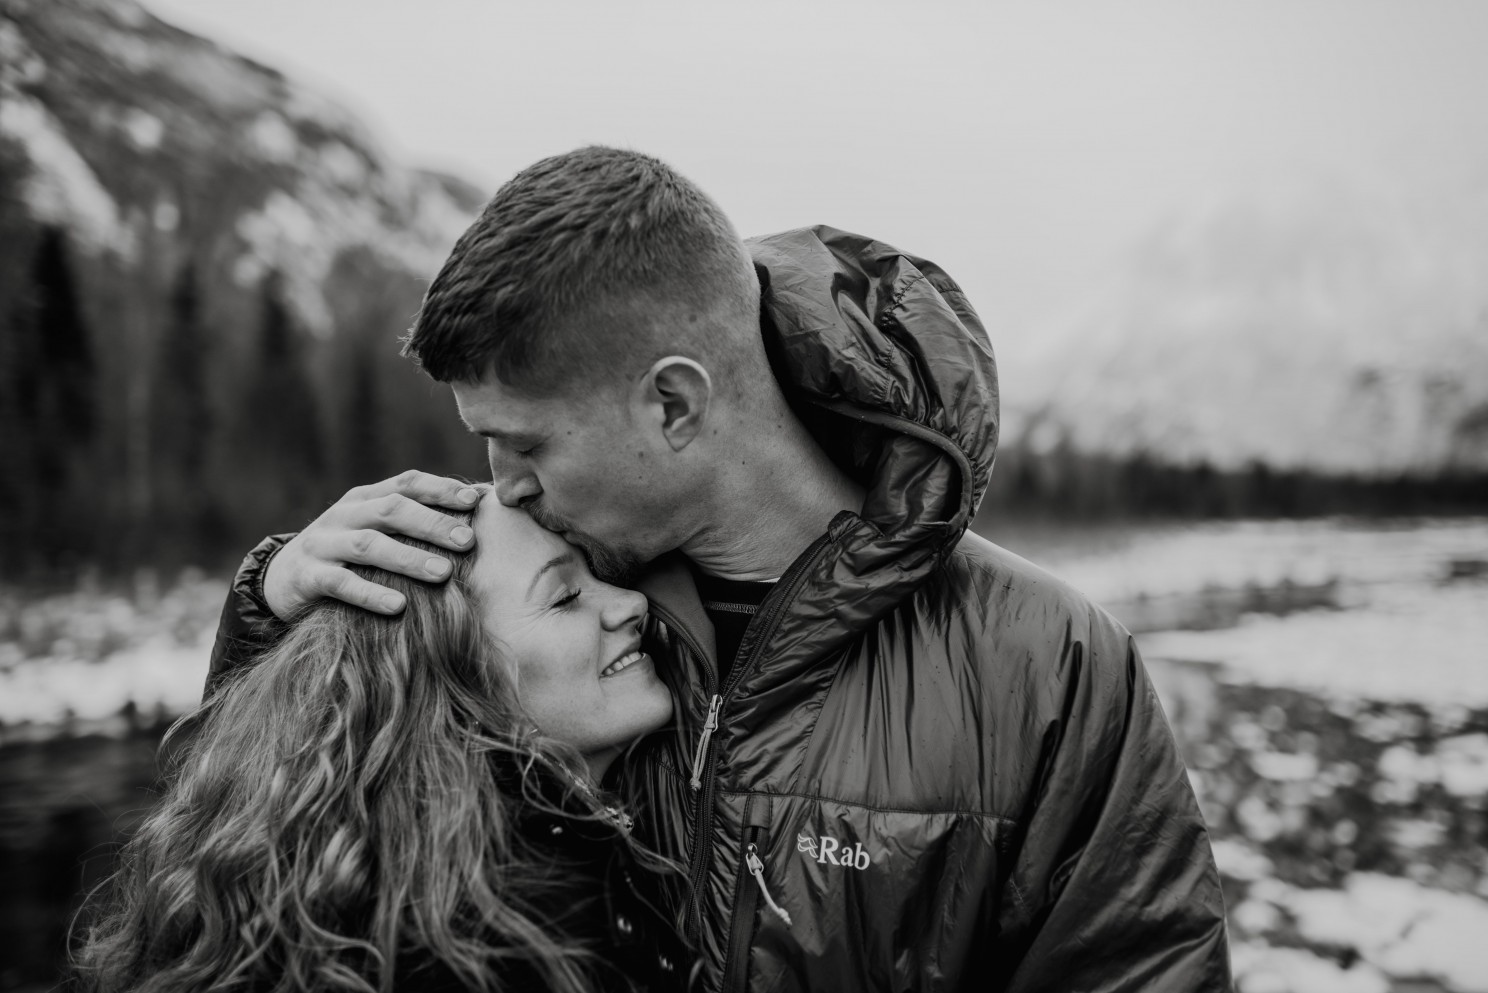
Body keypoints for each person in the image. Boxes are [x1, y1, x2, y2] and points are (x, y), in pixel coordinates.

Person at [211, 147, 1232, 991]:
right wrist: (275, 619)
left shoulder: (1050, 668)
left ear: (673, 406)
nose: (502, 486)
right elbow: (299, 893)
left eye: (526, 445)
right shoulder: (550, 638)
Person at [76, 496, 689, 993]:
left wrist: (259, 609)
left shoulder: (390, 877)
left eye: (601, 575)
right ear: (454, 684)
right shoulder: (486, 943)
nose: (632, 604)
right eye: (565, 597)